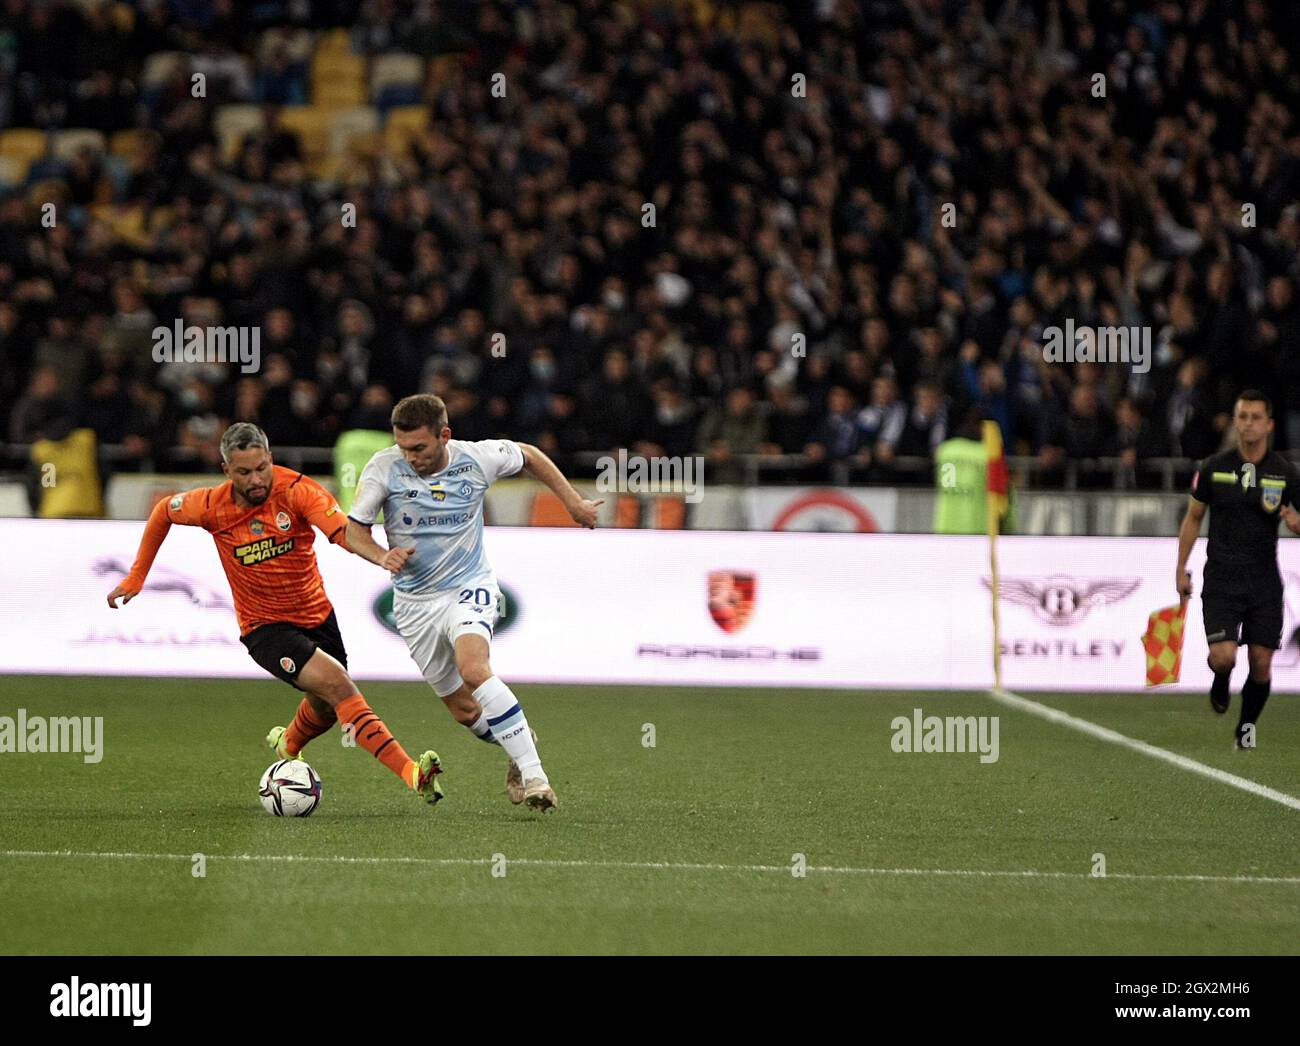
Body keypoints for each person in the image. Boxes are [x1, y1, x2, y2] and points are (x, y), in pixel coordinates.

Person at [106, 422, 445, 804]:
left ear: (270, 459)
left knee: (327, 707)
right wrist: (137, 577)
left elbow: (342, 531)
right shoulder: (209, 506)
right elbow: (163, 512)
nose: (256, 480)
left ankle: (289, 743)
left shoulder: (296, 491)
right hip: (264, 628)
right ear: (226, 471)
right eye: (244, 472)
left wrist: (381, 555)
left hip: (317, 617)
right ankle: (412, 774)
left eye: (261, 468)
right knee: (338, 686)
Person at [345, 394, 603, 812]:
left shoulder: (477, 458)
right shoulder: (383, 468)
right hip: (413, 601)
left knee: (474, 668)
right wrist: (381, 555)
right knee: (465, 711)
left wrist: (572, 502)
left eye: (419, 448)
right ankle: (518, 739)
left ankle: (535, 776)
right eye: (403, 447)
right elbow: (353, 531)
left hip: (469, 585)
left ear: (444, 435)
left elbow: (530, 455)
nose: (409, 457)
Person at [1175, 391, 1300, 748]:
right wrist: (1180, 567)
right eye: (1243, 416)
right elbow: (1194, 516)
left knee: (1261, 662)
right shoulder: (1214, 467)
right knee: (1224, 656)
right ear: (1235, 421)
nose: (1249, 423)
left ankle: (1246, 728)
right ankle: (1220, 678)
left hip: (1263, 582)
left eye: (1256, 417)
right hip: (1222, 579)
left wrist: (1296, 523)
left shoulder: (1284, 472)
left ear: (1269, 424)